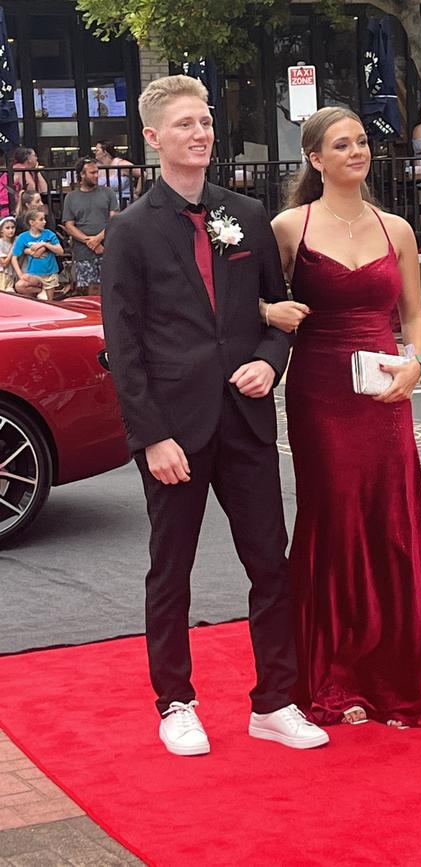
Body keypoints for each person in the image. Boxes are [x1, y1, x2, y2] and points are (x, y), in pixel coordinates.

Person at [101, 74, 329, 756]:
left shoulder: (246, 214)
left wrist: (271, 358)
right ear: (152, 138)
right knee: (171, 569)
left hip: (247, 419)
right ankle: (175, 701)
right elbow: (125, 343)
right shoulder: (132, 231)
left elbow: (276, 310)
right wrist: (151, 437)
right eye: (183, 125)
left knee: (271, 562)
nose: (199, 133)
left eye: (204, 122)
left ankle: (275, 699)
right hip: (174, 430)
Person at [267, 106, 421, 729]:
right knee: (333, 521)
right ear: (316, 159)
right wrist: (267, 312)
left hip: (387, 392)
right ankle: (331, 679)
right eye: (342, 144)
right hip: (320, 394)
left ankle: (392, 681)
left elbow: (415, 317)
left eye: (362, 141)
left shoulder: (398, 229)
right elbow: (255, 301)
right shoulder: (290, 227)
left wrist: (417, 363)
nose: (357, 151)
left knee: (390, 524)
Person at [63, 158, 119, 296]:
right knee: (89, 290)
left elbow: (115, 219)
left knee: (111, 286)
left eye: (97, 172)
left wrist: (98, 239)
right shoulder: (71, 197)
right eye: (92, 172)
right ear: (82, 174)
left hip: (107, 247)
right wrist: (89, 242)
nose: (96, 175)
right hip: (84, 252)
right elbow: (69, 225)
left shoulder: (108, 192)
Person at [11, 209, 63, 301]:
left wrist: (44, 244)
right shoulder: (23, 237)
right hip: (34, 274)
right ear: (32, 222)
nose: (44, 222)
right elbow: (14, 257)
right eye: (41, 219)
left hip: (49, 272)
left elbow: (60, 251)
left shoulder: (49, 234)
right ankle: (39, 291)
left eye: (44, 219)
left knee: (48, 301)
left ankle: (45, 292)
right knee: (20, 286)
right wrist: (20, 274)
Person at [0, 216, 17, 292]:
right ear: (1, 230)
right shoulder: (0, 243)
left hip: (11, 275)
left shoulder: (15, 241)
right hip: (2, 275)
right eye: (7, 228)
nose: (11, 230)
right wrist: (13, 247)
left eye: (13, 227)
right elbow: (4, 263)